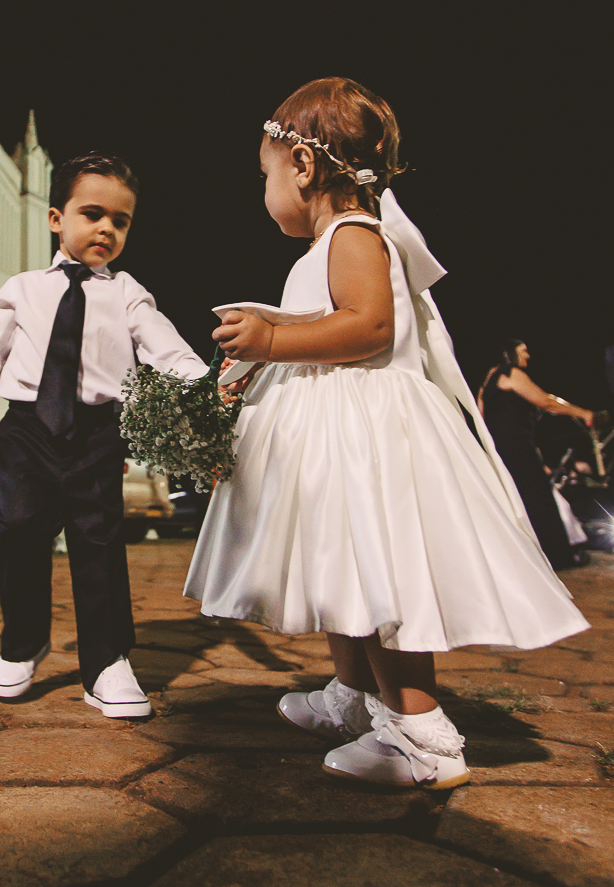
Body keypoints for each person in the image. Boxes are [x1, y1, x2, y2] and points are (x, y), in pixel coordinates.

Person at [186, 77, 589, 790]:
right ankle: (356, 697)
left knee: (377, 575)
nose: (266, 190)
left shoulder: (353, 235)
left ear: (303, 168)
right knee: (344, 573)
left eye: (266, 175)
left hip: (364, 437)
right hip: (334, 434)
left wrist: (274, 340)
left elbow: (372, 327)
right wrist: (260, 353)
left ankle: (422, 734)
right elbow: (324, 324)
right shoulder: (330, 244)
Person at [0, 152, 208, 718]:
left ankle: (106, 661)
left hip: (97, 431)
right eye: (92, 213)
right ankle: (23, 642)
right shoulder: (24, 288)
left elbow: (167, 348)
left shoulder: (127, 292)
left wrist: (207, 393)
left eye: (121, 220)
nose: (106, 228)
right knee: (20, 530)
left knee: (98, 539)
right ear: (57, 218)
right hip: (27, 426)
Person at [478, 340, 594, 571]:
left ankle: (529, 559)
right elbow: (546, 401)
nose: (528, 356)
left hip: (499, 449)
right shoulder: (511, 372)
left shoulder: (487, 381)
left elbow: (481, 417)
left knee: (516, 501)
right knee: (539, 499)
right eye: (523, 351)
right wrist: (582, 412)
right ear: (508, 354)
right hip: (516, 446)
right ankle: (559, 558)